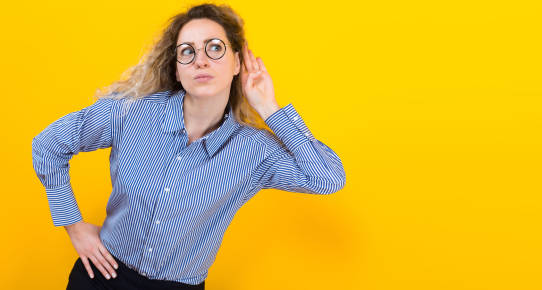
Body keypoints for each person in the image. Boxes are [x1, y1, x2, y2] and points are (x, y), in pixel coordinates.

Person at [31, 2, 346, 289]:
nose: (201, 61)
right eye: (187, 51)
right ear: (177, 69)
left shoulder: (254, 151)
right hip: (103, 276)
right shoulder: (131, 111)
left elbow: (328, 178)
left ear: (238, 62)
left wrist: (270, 109)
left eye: (215, 48)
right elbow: (48, 146)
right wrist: (72, 224)